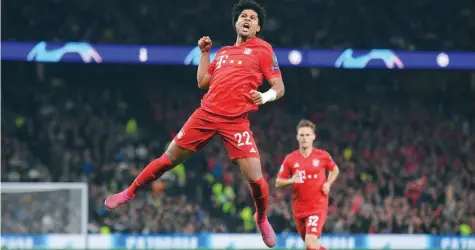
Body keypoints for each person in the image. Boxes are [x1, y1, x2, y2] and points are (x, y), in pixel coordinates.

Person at [104, 0, 284, 247]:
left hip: (235, 121)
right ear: (236, 23)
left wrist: (263, 97)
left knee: (256, 178)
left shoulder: (263, 50)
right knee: (168, 160)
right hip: (206, 114)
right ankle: (129, 192)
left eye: (253, 18)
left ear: (258, 27)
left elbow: (279, 87)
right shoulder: (222, 53)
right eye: (243, 15)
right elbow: (202, 82)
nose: (247, 19)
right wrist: (205, 52)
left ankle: (261, 218)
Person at [276, 120, 340, 250]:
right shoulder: (290, 159)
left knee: (310, 243)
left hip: (317, 206)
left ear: (313, 137)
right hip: (299, 209)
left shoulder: (323, 156)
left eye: (307, 135)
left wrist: (328, 183)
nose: (305, 138)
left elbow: (335, 169)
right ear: (297, 137)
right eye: (302, 135)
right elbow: (278, 183)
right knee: (312, 246)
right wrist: (291, 180)